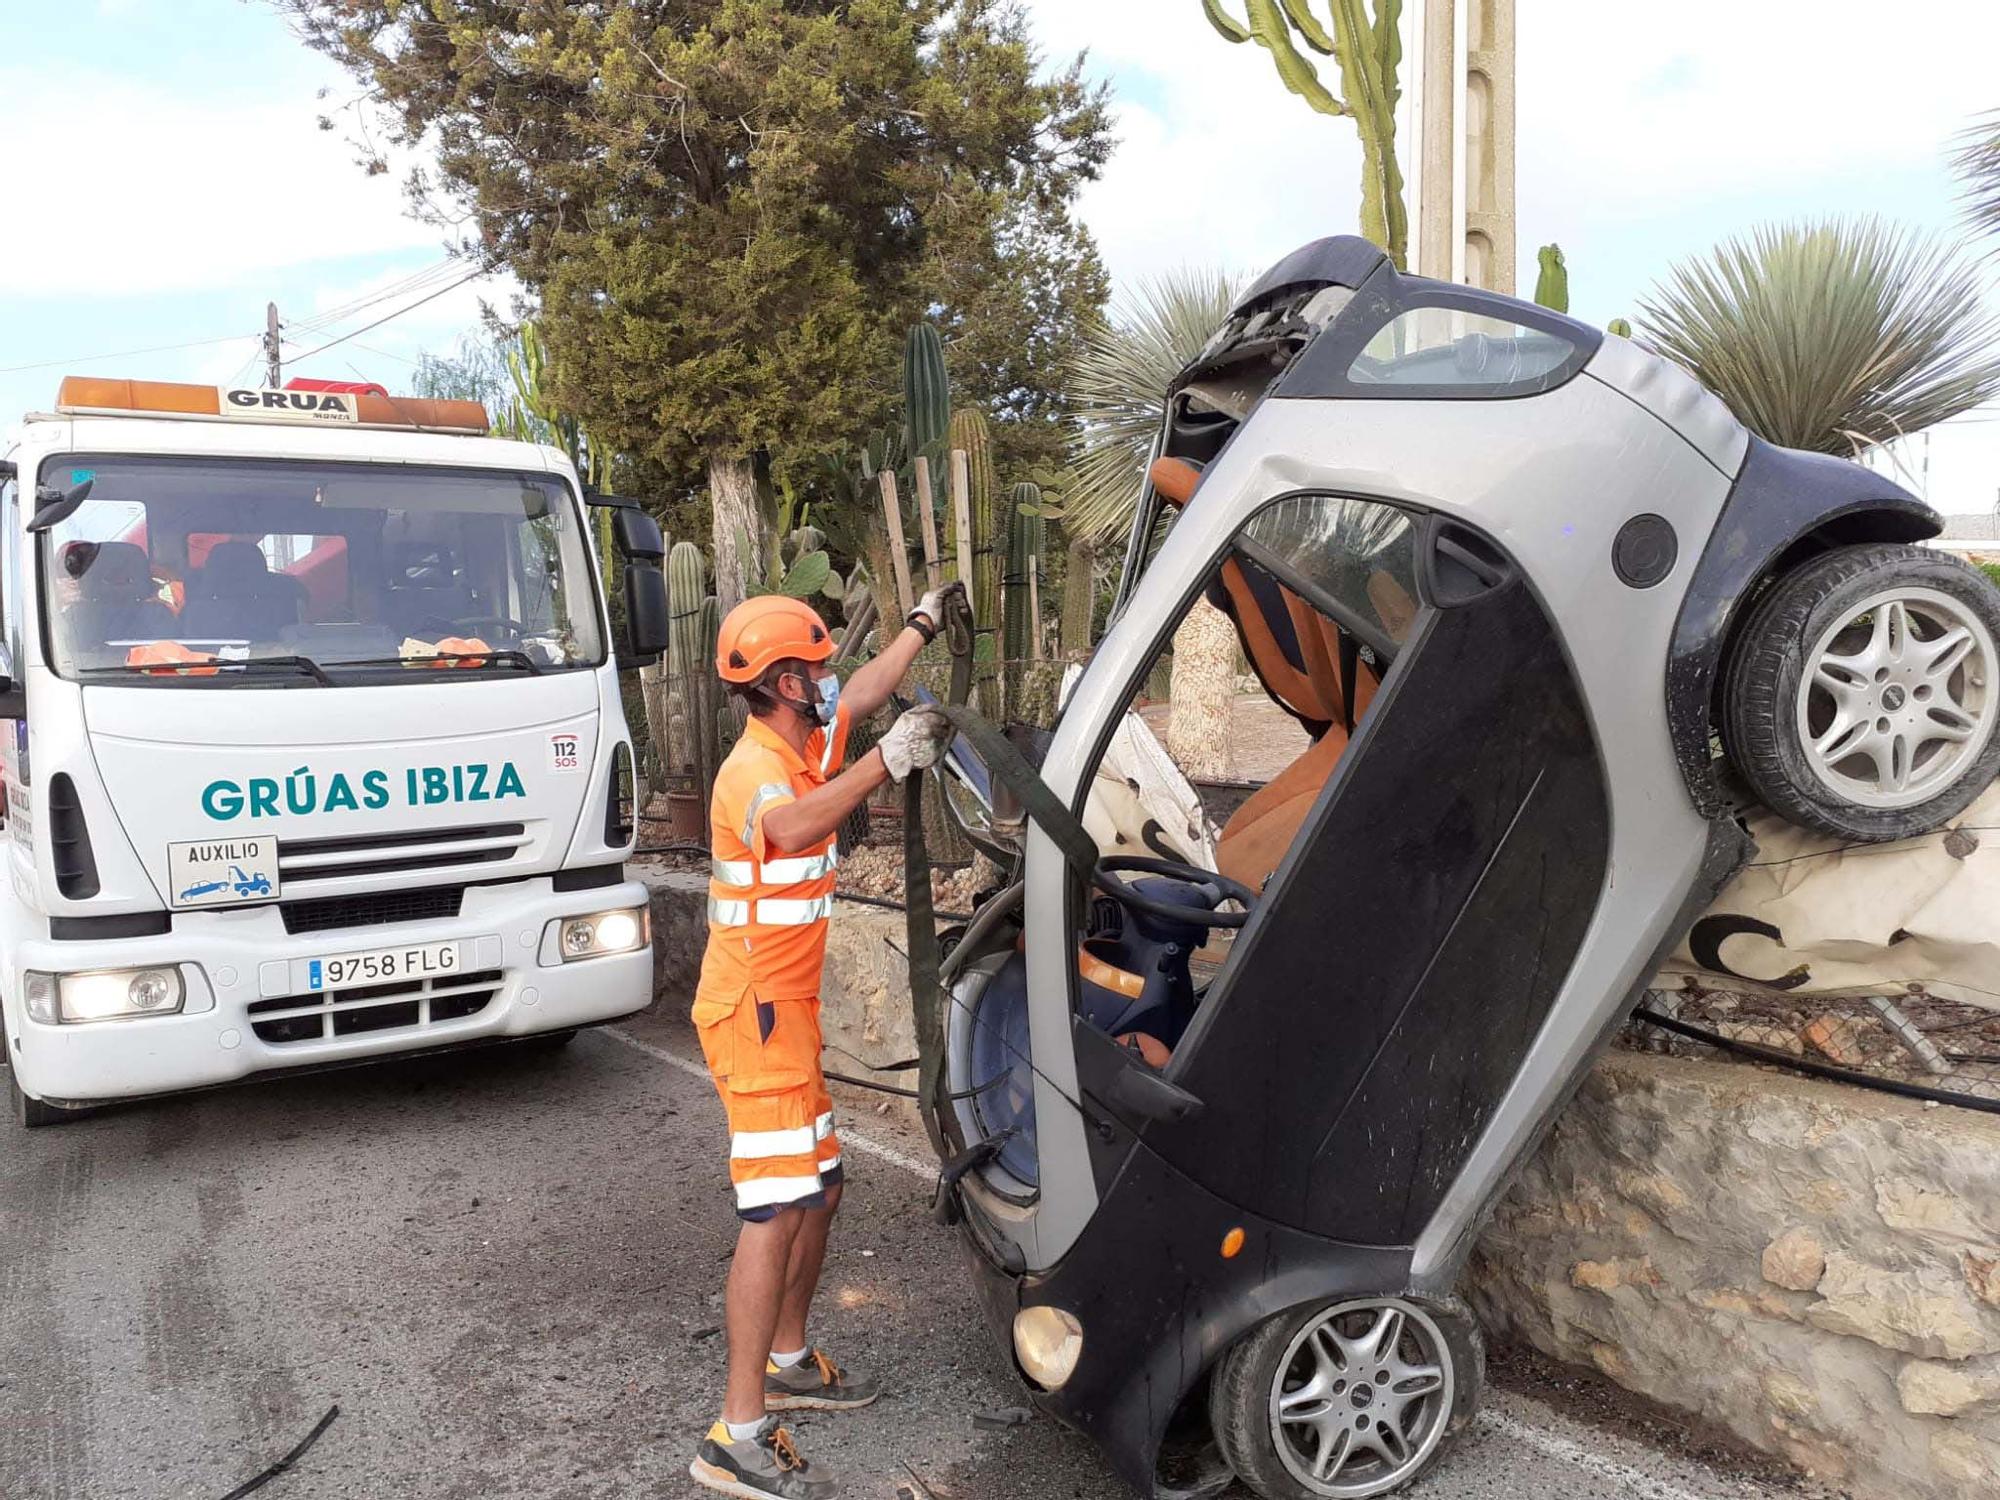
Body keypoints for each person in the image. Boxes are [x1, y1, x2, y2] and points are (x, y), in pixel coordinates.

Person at [688, 583, 961, 1500]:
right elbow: (791, 826)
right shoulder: (755, 770)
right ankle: (738, 1432)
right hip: (753, 1013)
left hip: (787, 1013)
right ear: (780, 679)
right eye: (811, 666)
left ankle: (789, 1359)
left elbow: (870, 692)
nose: (827, 676)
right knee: (771, 1213)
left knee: (821, 1189)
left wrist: (921, 622)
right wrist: (886, 764)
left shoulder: (808, 743)